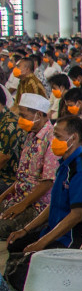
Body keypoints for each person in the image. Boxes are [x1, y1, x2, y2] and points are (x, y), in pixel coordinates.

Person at [5, 116, 82, 291]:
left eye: (58, 136)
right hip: (55, 230)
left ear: (73, 138)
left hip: (72, 238)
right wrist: (26, 230)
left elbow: (76, 216)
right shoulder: (65, 164)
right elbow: (55, 204)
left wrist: (42, 243)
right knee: (15, 244)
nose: (53, 141)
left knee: (20, 275)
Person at [0, 93, 57, 239]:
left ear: (38, 114)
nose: (20, 120)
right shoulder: (31, 136)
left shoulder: (51, 139)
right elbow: (22, 177)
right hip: (19, 197)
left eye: (23, 115)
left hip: (38, 205)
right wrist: (3, 196)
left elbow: (48, 182)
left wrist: (22, 205)